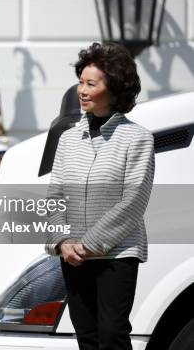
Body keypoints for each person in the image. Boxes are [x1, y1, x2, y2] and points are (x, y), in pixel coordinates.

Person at [45, 42, 155, 350]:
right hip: (72, 256)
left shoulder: (138, 138)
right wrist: (62, 242)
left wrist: (89, 244)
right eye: (81, 81)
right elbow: (54, 196)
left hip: (117, 255)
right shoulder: (67, 139)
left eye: (90, 84)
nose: (81, 89)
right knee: (87, 338)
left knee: (111, 334)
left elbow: (133, 201)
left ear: (114, 88)